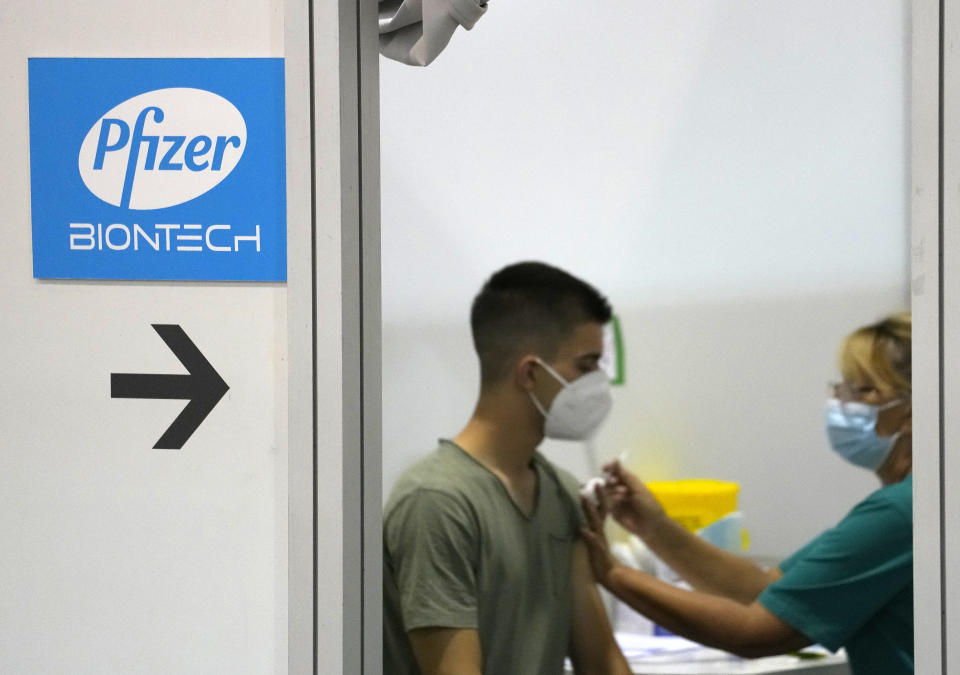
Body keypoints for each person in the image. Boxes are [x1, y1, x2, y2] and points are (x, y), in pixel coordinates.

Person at [581, 312, 913, 675]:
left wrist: (612, 573)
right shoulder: (907, 503)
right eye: (842, 386)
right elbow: (765, 588)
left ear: (913, 411)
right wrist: (655, 528)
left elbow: (756, 632)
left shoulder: (901, 511)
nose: (839, 399)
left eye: (863, 390)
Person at [383, 261, 631, 675]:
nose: (596, 385)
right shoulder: (438, 503)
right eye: (586, 366)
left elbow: (600, 660)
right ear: (531, 373)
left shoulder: (562, 494)